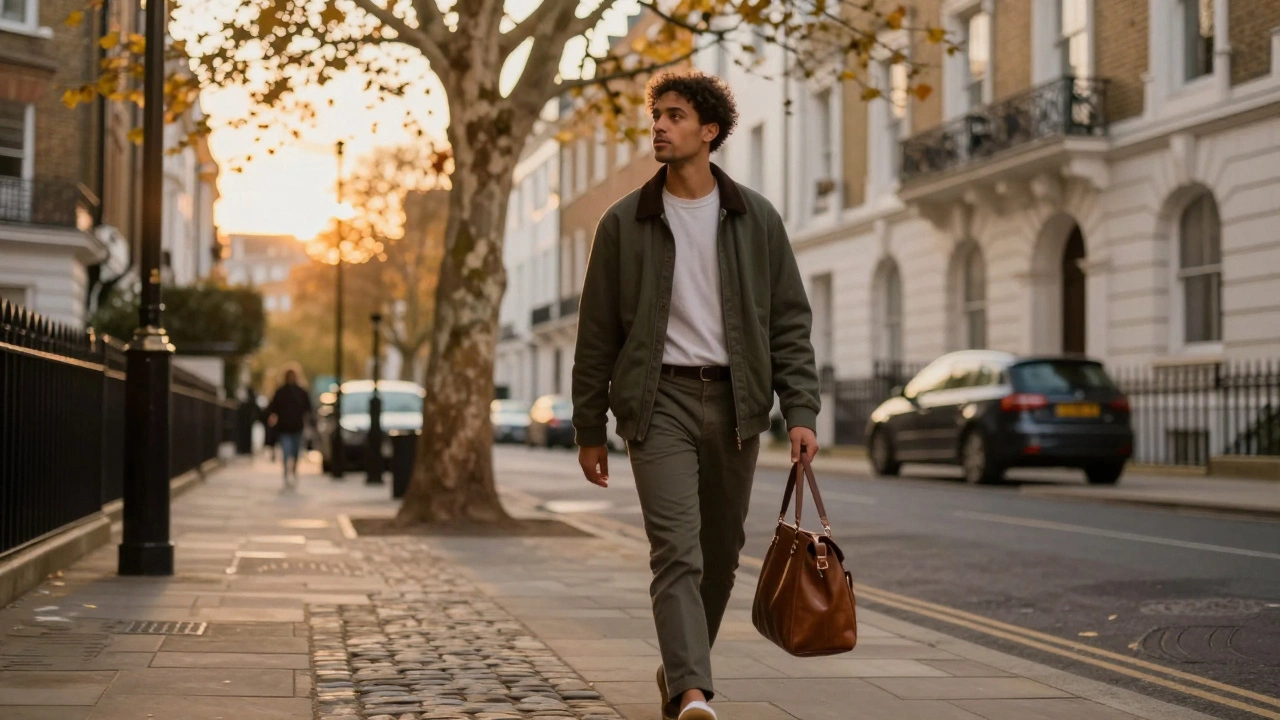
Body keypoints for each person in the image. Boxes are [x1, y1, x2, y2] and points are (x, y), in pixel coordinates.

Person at [572, 71, 820, 720]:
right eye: (656, 115)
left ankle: (679, 671)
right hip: (658, 405)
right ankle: (693, 694)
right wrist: (588, 428)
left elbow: (789, 322)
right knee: (675, 552)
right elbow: (596, 334)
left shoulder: (756, 218)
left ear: (708, 131)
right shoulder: (623, 223)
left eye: (674, 115)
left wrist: (802, 410)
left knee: (719, 558)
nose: (658, 125)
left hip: (738, 406)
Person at [265, 365, 313, 489]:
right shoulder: (281, 391)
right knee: (286, 452)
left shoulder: (301, 391)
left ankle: (294, 471)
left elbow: (308, 408)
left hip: (297, 427)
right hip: (284, 428)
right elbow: (273, 408)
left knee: (296, 452)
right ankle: (286, 473)